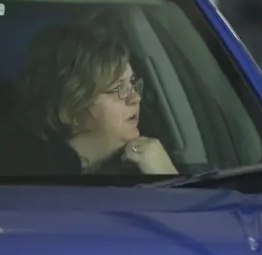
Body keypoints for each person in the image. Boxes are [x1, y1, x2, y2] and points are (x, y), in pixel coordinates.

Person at [13, 22, 177, 175]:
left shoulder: (140, 166)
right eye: (117, 89)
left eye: (133, 84)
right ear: (70, 109)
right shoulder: (35, 178)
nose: (136, 97)